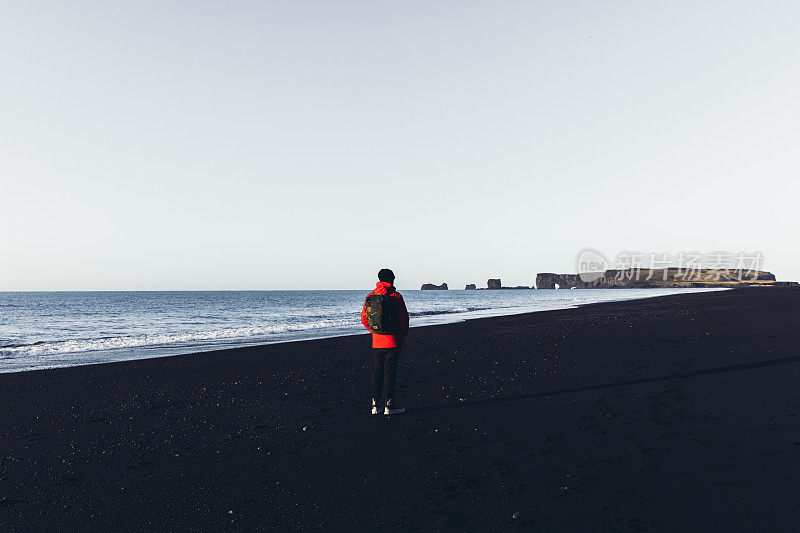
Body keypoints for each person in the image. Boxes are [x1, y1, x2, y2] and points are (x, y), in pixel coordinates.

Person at [361, 268, 410, 415]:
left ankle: (375, 405)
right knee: (390, 373)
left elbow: (364, 319)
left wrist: (375, 332)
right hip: (393, 341)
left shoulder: (371, 296)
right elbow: (404, 319)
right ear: (392, 279)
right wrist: (402, 335)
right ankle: (389, 405)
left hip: (377, 342)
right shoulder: (396, 296)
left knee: (377, 373)